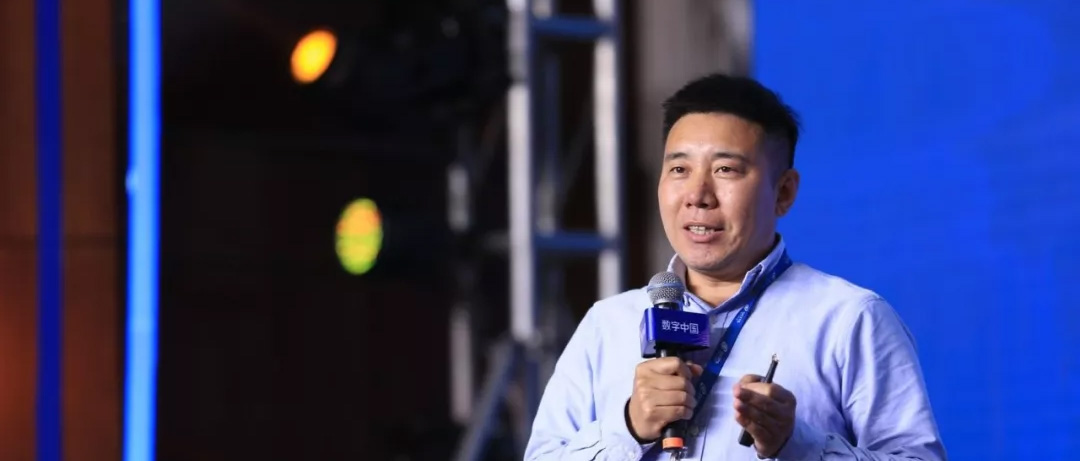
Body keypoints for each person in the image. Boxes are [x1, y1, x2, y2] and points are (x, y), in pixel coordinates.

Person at [524, 73, 946, 460]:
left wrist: (797, 444)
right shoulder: (608, 323)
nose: (698, 195)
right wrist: (628, 426)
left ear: (783, 192)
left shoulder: (849, 319)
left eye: (725, 169)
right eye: (679, 169)